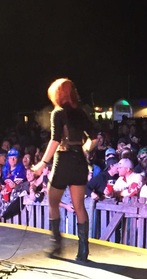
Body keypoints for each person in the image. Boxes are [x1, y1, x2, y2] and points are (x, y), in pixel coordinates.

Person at [32, 78, 97, 261]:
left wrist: (42, 163)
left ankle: (56, 245)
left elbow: (54, 140)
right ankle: (83, 251)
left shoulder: (58, 113)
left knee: (52, 202)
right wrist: (84, 149)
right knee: (79, 206)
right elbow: (95, 138)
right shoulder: (81, 113)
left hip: (64, 160)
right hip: (79, 163)